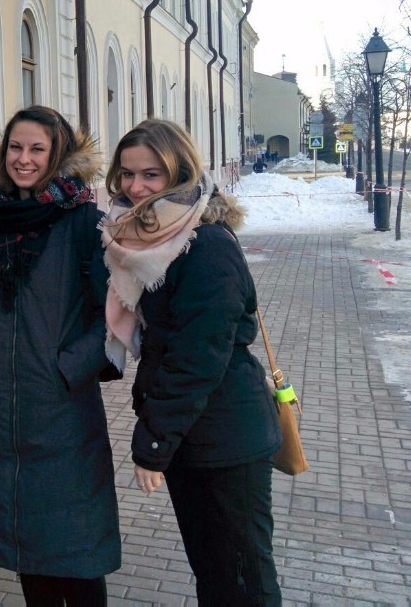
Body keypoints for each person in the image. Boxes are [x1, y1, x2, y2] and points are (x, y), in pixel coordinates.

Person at [101, 118, 282, 605]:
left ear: (179, 171)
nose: (135, 186)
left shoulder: (205, 245)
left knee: (242, 580)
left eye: (151, 175)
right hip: (193, 435)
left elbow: (196, 360)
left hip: (226, 438)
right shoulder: (146, 238)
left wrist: (153, 444)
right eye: (127, 173)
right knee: (215, 572)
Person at [0, 106, 119, 606]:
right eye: (15, 147)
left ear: (58, 155)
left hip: (63, 411)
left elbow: (112, 315)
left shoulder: (85, 221)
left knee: (77, 548)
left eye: (37, 149)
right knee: (25, 545)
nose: (23, 159)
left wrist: (67, 368)